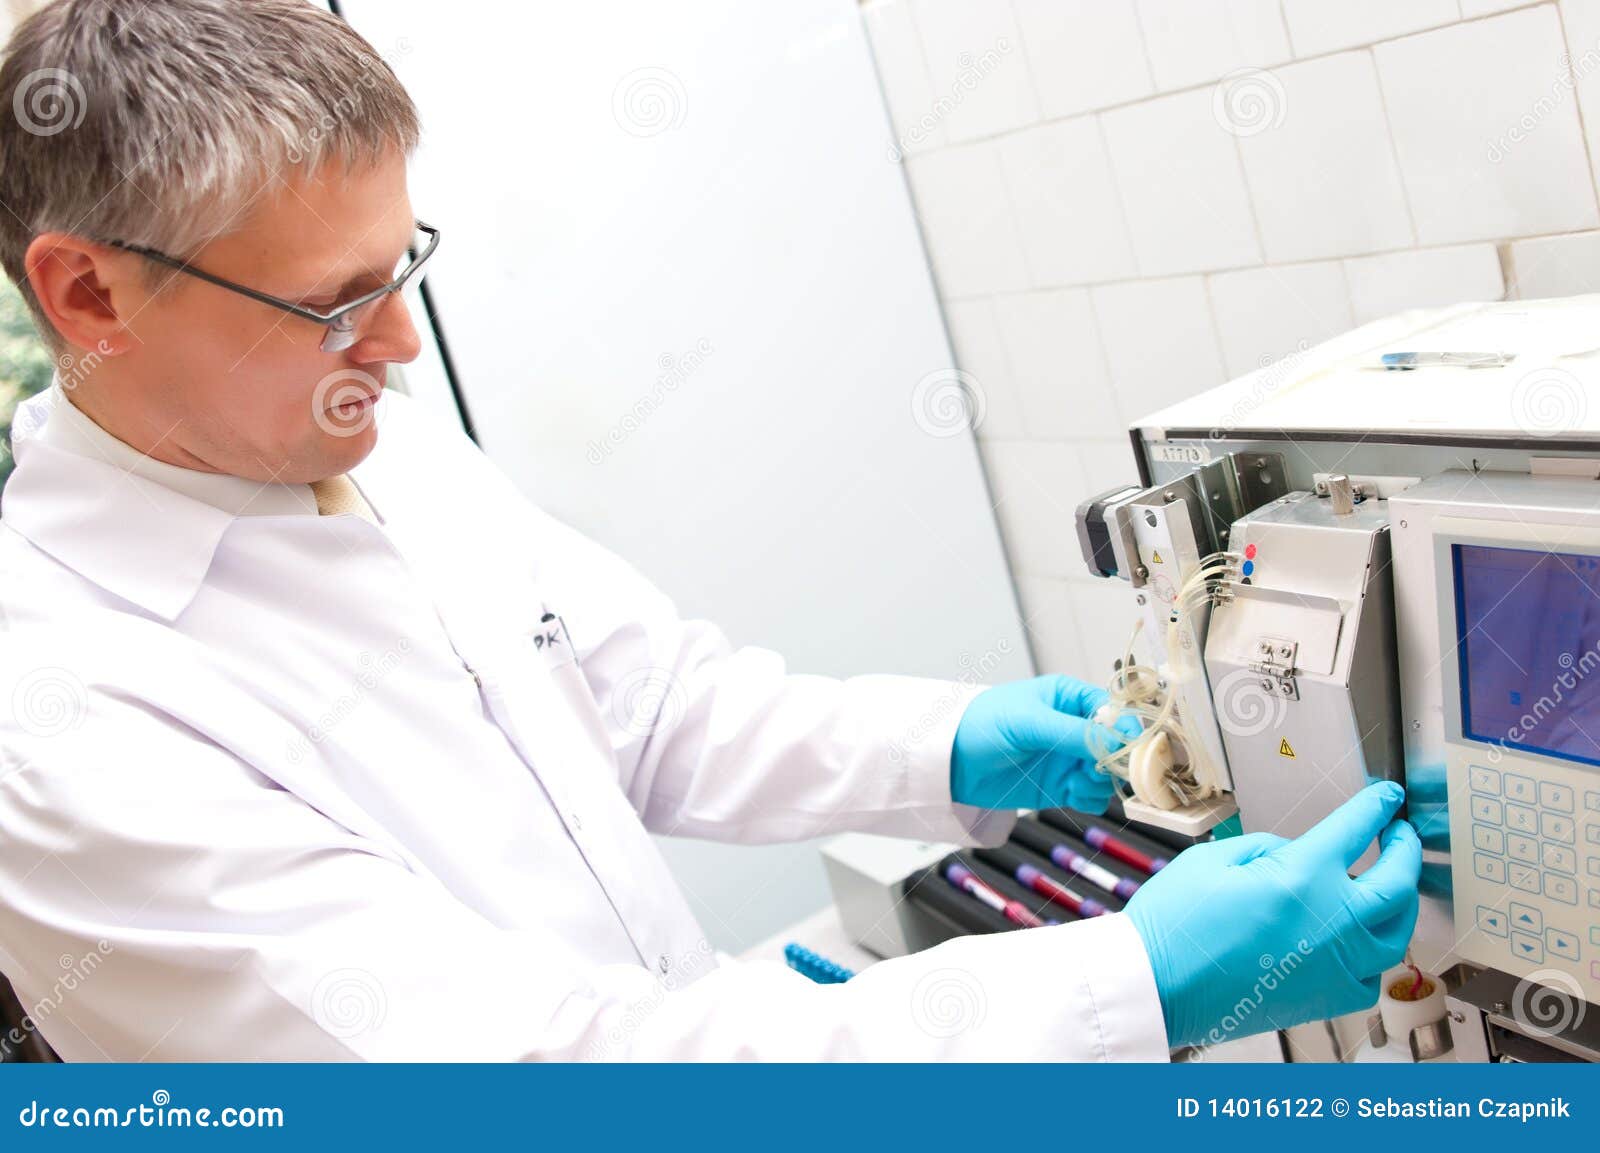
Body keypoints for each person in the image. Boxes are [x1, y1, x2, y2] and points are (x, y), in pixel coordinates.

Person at [0, 0, 1421, 1061]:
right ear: (91, 299)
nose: (397, 344)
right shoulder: (63, 723)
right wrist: (1135, 983)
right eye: (331, 300)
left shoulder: (360, 431)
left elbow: (653, 707)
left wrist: (952, 741)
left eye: (404, 270)